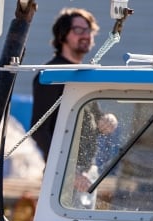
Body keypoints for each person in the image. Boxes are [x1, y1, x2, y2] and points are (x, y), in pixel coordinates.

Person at [31, 7, 100, 161]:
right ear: (62, 36)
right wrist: (63, 167)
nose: (86, 35)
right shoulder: (51, 75)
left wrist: (109, 120)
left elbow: (97, 118)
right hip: (62, 175)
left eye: (88, 30)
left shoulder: (85, 73)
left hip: (84, 172)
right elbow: (39, 130)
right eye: (78, 30)